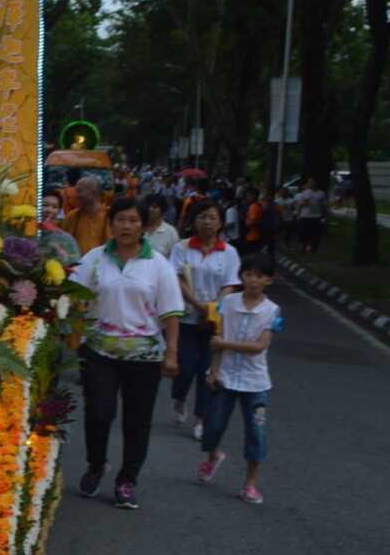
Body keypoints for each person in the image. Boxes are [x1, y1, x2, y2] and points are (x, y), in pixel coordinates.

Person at [71, 197, 184, 510]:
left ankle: (127, 480)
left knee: (137, 421)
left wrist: (172, 352)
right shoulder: (94, 259)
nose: (126, 226)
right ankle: (96, 465)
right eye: (121, 219)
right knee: (98, 413)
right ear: (112, 224)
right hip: (99, 351)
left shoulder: (158, 264)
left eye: (134, 221)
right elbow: (70, 294)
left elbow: (171, 312)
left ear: (143, 225)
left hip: (144, 357)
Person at [199, 251, 284, 505]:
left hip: (255, 381)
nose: (253, 281)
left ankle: (250, 483)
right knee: (212, 426)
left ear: (269, 279)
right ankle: (213, 455)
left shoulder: (272, 311)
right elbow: (216, 342)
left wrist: (225, 343)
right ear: (241, 276)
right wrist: (213, 370)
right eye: (248, 275)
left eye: (259, 276)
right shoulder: (228, 303)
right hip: (224, 376)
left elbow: (260, 346)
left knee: (256, 433)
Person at [169, 202, 241, 440]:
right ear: (194, 220)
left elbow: (231, 283)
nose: (207, 222)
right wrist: (199, 305)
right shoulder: (182, 247)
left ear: (220, 222)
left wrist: (214, 307)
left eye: (212, 217)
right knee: (185, 367)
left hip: (216, 322)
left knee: (207, 370)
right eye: (202, 217)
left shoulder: (229, 252)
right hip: (187, 318)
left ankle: (201, 418)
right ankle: (179, 397)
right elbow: (176, 278)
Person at [37, 192, 83, 267]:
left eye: (55, 207)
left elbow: (74, 266)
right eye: (45, 205)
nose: (49, 210)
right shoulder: (24, 233)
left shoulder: (65, 238)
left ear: (59, 211)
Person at [65, 175, 108, 255]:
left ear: (93, 193)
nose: (76, 195)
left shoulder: (109, 216)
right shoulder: (72, 217)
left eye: (79, 191)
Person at [296, 178, 328, 254]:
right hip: (305, 216)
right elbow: (299, 205)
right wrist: (298, 214)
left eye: (312, 182)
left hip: (316, 216)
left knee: (315, 234)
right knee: (303, 233)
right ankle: (304, 246)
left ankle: (313, 248)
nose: (311, 184)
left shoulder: (321, 193)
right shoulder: (305, 192)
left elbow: (324, 206)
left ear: (316, 183)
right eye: (309, 182)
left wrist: (324, 216)